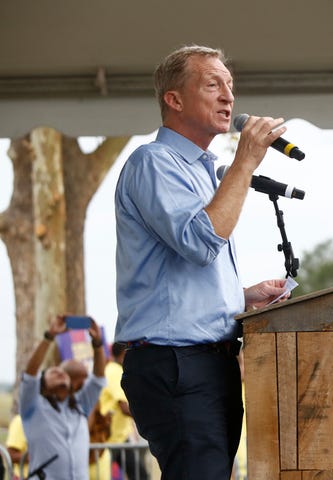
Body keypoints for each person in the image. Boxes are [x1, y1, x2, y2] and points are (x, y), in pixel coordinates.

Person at [114, 44, 290, 480]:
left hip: (208, 360)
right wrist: (246, 162)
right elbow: (202, 240)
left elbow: (187, 268)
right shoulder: (153, 162)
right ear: (174, 100)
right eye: (213, 85)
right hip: (177, 362)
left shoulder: (202, 170)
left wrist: (240, 295)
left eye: (230, 86)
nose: (229, 97)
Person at [19, 314, 106, 480]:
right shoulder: (32, 407)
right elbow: (30, 376)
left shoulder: (81, 406)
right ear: (42, 385)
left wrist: (97, 343)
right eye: (53, 372)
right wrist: (49, 337)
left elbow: (98, 379)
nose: (60, 372)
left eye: (63, 373)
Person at [99, 342, 148, 479]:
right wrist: (149, 419)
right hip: (109, 439)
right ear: (124, 353)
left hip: (120, 439)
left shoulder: (114, 370)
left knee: (140, 475)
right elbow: (124, 407)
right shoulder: (114, 371)